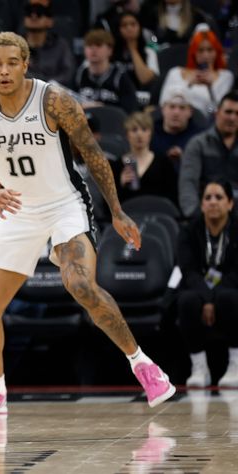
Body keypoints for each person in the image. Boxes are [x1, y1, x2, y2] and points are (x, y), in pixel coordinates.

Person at [0, 32, 175, 415]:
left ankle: (143, 364)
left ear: (26, 64)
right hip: (16, 209)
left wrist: (117, 210)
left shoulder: (54, 100)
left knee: (79, 284)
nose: (5, 70)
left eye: (13, 62)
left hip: (64, 204)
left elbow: (93, 156)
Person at [177, 179, 238, 388]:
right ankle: (199, 367)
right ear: (201, 204)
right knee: (186, 300)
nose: (213, 202)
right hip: (198, 287)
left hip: (231, 288)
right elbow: (187, 270)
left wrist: (212, 298)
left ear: (230, 203)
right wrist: (207, 297)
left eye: (219, 197)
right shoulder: (189, 230)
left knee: (228, 297)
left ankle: (235, 364)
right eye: (207, 198)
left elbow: (236, 272)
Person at [178, 92, 238, 218]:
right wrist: (194, 214)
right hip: (205, 216)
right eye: (228, 112)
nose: (232, 118)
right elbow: (188, 183)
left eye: (237, 114)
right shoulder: (198, 144)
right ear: (217, 113)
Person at [159, 24, 234, 117]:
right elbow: (163, 102)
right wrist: (188, 85)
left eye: (210, 50)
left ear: (217, 51)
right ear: (193, 52)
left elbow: (221, 111)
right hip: (177, 119)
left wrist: (210, 88)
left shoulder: (225, 76)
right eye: (201, 50)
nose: (206, 55)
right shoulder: (175, 73)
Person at [110, 111, 178, 204]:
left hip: (157, 213)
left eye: (144, 129)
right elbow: (109, 203)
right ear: (127, 135)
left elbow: (172, 196)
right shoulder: (116, 166)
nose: (139, 134)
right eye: (134, 130)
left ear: (150, 133)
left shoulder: (163, 162)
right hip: (129, 213)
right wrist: (120, 183)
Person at [74, 29, 139, 113]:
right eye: (89, 45)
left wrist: (103, 108)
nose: (93, 49)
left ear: (110, 50)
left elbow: (131, 110)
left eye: (98, 45)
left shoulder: (119, 76)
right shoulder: (80, 74)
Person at [22, 0, 75, 87]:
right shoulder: (15, 45)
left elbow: (68, 74)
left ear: (50, 21)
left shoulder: (61, 46)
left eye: (40, 13)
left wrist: (48, 84)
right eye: (29, 12)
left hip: (54, 94)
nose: (33, 16)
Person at [150, 87, 203, 173]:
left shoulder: (198, 138)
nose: (176, 112)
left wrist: (184, 159)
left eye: (182, 108)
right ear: (163, 109)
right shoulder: (150, 134)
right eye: (172, 107)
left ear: (190, 112)